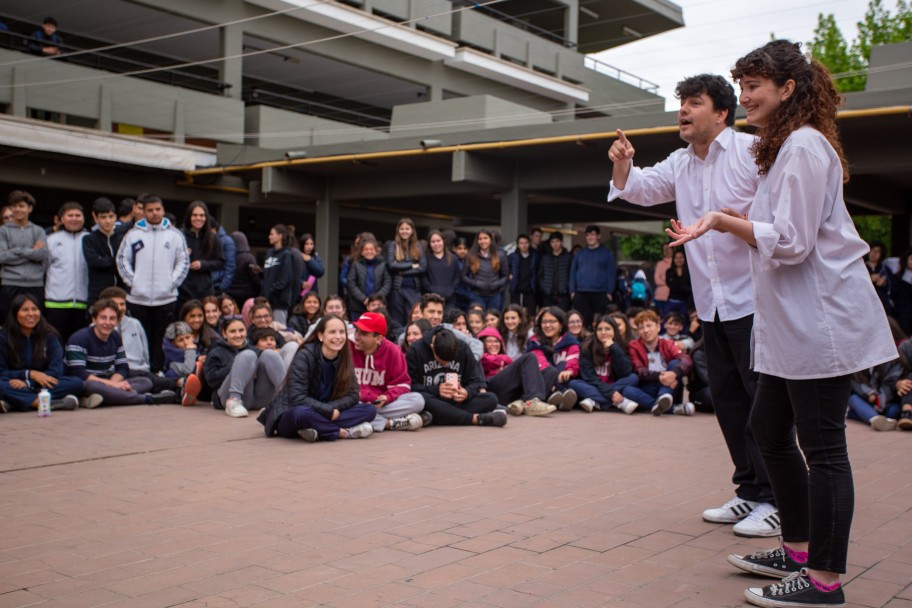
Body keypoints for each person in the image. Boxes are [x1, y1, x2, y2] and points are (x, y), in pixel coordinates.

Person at [668, 41, 898, 608]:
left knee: (824, 448)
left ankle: (823, 581)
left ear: (787, 89)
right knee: (769, 432)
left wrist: (724, 219)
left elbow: (792, 244)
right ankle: (796, 549)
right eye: (741, 86)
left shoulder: (803, 146)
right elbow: (785, 224)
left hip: (819, 323)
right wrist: (747, 219)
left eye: (753, 87)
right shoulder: (784, 148)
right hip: (787, 326)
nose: (744, 97)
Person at [607, 73, 778, 538]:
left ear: (721, 113)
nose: (683, 109)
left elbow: (778, 216)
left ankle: (777, 499)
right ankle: (749, 491)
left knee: (763, 403)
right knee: (726, 399)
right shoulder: (680, 163)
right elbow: (637, 188)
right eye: (681, 101)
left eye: (694, 102)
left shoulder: (751, 152)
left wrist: (741, 221)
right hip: (712, 305)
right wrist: (623, 164)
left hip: (755, 300)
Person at [259, 315, 377, 441]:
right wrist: (328, 411)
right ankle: (342, 432)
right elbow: (297, 398)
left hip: (323, 411)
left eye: (342, 332)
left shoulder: (345, 357)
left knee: (369, 410)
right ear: (321, 336)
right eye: (332, 332)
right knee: (301, 414)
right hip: (293, 412)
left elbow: (353, 395)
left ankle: (315, 429)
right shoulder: (305, 355)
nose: (338, 337)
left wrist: (330, 408)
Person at [116, 195, 189, 373]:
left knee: (162, 337)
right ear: (143, 211)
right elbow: (122, 260)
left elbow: (183, 262)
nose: (154, 213)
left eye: (158, 209)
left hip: (166, 297)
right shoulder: (133, 234)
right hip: (137, 298)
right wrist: (133, 283)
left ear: (163, 210)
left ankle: (158, 372)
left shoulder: (174, 235)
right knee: (138, 336)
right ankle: (139, 370)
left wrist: (171, 284)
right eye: (150, 210)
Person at [65, 299, 170, 407]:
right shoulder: (79, 338)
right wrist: (113, 384)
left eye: (112, 319)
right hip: (84, 383)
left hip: (106, 381)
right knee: (92, 386)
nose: (107, 322)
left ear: (117, 321)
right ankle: (145, 399)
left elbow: (122, 367)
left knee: (145, 382)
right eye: (103, 318)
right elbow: (80, 374)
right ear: (94, 319)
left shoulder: (115, 336)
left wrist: (114, 383)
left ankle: (104, 398)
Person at [406, 326, 504, 427]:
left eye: (449, 361)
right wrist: (437, 390)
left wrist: (467, 392)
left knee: (491, 399)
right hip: (432, 400)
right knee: (421, 400)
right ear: (432, 347)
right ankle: (475, 419)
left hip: (456, 402)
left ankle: (440, 417)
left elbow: (477, 381)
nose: (446, 365)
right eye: (441, 361)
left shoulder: (463, 347)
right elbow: (410, 386)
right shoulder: (415, 350)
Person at [0, 294, 82, 412]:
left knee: (76, 383)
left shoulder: (50, 335)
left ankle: (14, 403)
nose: (31, 314)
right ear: (15, 314)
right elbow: (2, 372)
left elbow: (56, 370)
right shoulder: (3, 337)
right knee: (1, 386)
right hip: (12, 383)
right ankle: (46, 403)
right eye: (25, 310)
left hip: (38, 384)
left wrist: (28, 383)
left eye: (34, 309)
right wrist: (29, 374)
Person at [350, 311, 427, 432]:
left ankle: (367, 421)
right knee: (348, 407)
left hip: (381, 405)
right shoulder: (347, 347)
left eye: (363, 333)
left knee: (417, 400)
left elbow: (403, 384)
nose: (357, 337)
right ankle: (391, 423)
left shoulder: (393, 351)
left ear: (378, 338)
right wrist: (368, 397)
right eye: (356, 331)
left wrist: (386, 397)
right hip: (357, 401)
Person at [203, 316, 286, 417]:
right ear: (224, 334)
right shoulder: (216, 352)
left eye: (241, 330)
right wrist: (239, 368)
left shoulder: (255, 349)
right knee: (247, 356)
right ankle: (234, 400)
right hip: (228, 396)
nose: (238, 335)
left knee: (269, 354)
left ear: (246, 332)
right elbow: (211, 381)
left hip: (259, 397)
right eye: (233, 331)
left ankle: (287, 398)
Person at [626, 310, 694, 416]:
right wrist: (660, 376)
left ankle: (663, 396)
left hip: (670, 387)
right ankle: (672, 408)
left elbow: (686, 360)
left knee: (675, 362)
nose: (645, 330)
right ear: (638, 332)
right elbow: (638, 369)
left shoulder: (668, 343)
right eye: (641, 328)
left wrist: (674, 373)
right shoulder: (633, 346)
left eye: (649, 326)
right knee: (628, 390)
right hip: (649, 385)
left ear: (658, 327)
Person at [477, 327, 556, 416]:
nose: (494, 344)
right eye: (490, 341)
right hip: (491, 388)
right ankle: (533, 401)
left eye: (497, 341)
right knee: (529, 357)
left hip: (509, 391)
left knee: (550, 371)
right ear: (482, 343)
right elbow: (489, 361)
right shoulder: (479, 356)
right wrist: (507, 360)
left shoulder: (504, 358)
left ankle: (522, 403)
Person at [570, 314, 640, 414]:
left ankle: (595, 401)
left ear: (614, 331)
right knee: (573, 384)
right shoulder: (587, 347)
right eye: (600, 329)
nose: (603, 332)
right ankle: (620, 403)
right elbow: (589, 377)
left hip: (615, 384)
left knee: (633, 378)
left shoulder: (621, 346)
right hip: (595, 385)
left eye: (607, 329)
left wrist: (614, 348)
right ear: (595, 331)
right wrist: (610, 393)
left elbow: (625, 372)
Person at [44, 202, 89, 343]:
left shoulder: (90, 239)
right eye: (70, 215)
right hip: (55, 303)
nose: (74, 219)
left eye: (78, 215)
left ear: (84, 218)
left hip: (83, 303)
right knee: (55, 342)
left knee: (79, 344)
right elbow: (42, 269)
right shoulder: (51, 240)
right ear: (61, 219)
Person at [0, 191, 48, 322]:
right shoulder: (3, 231)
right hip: (10, 282)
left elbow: (42, 255)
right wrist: (31, 251)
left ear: (29, 208)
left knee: (34, 322)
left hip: (35, 283)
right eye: (14, 206)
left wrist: (15, 251)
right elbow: (2, 257)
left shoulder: (38, 231)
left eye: (21, 206)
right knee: (7, 322)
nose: (17, 209)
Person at [527, 307, 579, 410]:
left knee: (565, 368)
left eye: (552, 321)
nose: (547, 325)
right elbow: (541, 363)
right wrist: (553, 380)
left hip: (564, 379)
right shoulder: (535, 342)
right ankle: (556, 395)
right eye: (544, 322)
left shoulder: (570, 341)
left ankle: (557, 395)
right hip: (542, 380)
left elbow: (574, 360)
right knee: (551, 370)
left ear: (561, 324)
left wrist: (570, 370)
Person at [570, 225, 616, 328]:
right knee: (582, 322)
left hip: (601, 293)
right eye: (588, 235)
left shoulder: (607, 254)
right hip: (581, 293)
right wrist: (572, 291)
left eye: (593, 234)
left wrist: (609, 292)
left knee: (601, 321)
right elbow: (572, 272)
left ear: (598, 236)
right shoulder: (580, 254)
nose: (590, 237)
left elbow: (611, 274)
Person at [178, 202, 224, 303]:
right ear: (189, 216)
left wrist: (203, 264)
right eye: (194, 215)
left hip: (205, 291)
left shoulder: (213, 238)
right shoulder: (179, 236)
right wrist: (181, 255)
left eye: (202, 215)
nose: (198, 218)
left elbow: (221, 263)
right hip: (183, 291)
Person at [83, 198, 124, 306]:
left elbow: (126, 262)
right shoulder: (89, 239)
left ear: (115, 217)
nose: (108, 221)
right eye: (103, 217)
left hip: (120, 293)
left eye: (111, 216)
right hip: (97, 294)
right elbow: (94, 262)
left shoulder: (123, 239)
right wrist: (116, 261)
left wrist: (106, 261)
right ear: (95, 217)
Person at [385, 219, 426, 325]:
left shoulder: (418, 246)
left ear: (412, 230)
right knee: (397, 320)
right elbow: (392, 265)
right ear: (398, 230)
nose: (404, 231)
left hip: (414, 289)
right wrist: (411, 265)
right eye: (402, 229)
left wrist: (402, 271)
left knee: (414, 319)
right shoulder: (393, 245)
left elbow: (422, 268)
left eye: (407, 229)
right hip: (397, 289)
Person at [462, 229, 509, 311]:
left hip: (494, 295)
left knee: (492, 320)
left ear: (491, 239)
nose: (482, 241)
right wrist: (475, 283)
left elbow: (505, 276)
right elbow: (463, 276)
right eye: (480, 239)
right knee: (477, 318)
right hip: (477, 295)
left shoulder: (500, 255)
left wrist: (496, 284)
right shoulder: (471, 256)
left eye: (485, 238)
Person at [347, 237, 391, 321]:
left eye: (371, 249)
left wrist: (377, 299)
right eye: (366, 249)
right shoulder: (356, 265)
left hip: (378, 306)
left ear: (376, 251)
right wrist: (364, 299)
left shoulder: (383, 265)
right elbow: (351, 284)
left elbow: (387, 283)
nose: (369, 251)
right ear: (362, 252)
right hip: (358, 305)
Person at [261, 225, 296, 324]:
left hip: (279, 302)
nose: (269, 237)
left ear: (280, 236)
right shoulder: (269, 253)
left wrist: (270, 293)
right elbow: (267, 275)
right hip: (265, 301)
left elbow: (284, 280)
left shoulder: (287, 254)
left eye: (272, 234)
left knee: (278, 330)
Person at [423, 229, 460, 308]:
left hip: (450, 299)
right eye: (433, 242)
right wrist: (431, 290)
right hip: (432, 299)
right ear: (429, 244)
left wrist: (452, 290)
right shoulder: (426, 259)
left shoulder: (453, 258)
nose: (436, 244)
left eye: (438, 241)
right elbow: (424, 278)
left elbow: (457, 277)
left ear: (443, 241)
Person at [225, 231, 261, 306]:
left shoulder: (228, 257)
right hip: (247, 295)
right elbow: (255, 278)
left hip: (230, 294)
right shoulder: (249, 257)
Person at [538, 232, 571, 310]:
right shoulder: (545, 258)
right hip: (548, 294)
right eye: (552, 242)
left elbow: (571, 275)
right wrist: (544, 287)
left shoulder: (569, 257)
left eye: (557, 241)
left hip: (563, 294)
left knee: (563, 317)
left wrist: (567, 288)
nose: (555, 244)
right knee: (549, 317)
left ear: (561, 242)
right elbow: (540, 275)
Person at [508, 233, 537, 317]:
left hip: (530, 289)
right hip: (516, 289)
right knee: (515, 313)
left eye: (526, 243)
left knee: (530, 314)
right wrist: (509, 275)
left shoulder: (534, 256)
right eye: (521, 243)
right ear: (518, 245)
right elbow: (505, 268)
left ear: (529, 243)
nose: (524, 245)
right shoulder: (512, 256)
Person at [865, 240, 893, 315]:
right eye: (872, 251)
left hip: (882, 303)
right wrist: (868, 280)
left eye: (877, 252)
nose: (874, 254)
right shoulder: (861, 267)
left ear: (881, 254)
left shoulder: (885, 269)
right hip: (865, 302)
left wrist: (884, 283)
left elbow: (894, 288)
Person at [664, 249, 693, 318]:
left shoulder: (690, 271)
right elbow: (670, 285)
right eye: (676, 258)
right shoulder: (669, 271)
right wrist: (683, 287)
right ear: (673, 259)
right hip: (672, 301)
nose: (679, 260)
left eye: (681, 257)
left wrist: (681, 287)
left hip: (685, 303)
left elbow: (691, 289)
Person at [210, 220, 236, 296]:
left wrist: (222, 288)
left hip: (217, 286)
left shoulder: (227, 241)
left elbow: (230, 267)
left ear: (213, 228)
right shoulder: (209, 239)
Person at [298, 232, 325, 297]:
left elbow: (320, 272)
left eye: (311, 244)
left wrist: (310, 260)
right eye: (306, 244)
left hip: (312, 292)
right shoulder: (296, 256)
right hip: (298, 293)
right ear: (302, 244)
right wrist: (301, 283)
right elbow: (290, 275)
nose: (309, 246)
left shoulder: (315, 256)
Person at [653, 244, 673, 313]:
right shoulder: (660, 263)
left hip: (674, 296)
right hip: (661, 296)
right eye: (665, 249)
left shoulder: (676, 262)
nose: (667, 251)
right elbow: (657, 280)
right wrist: (669, 283)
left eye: (668, 248)